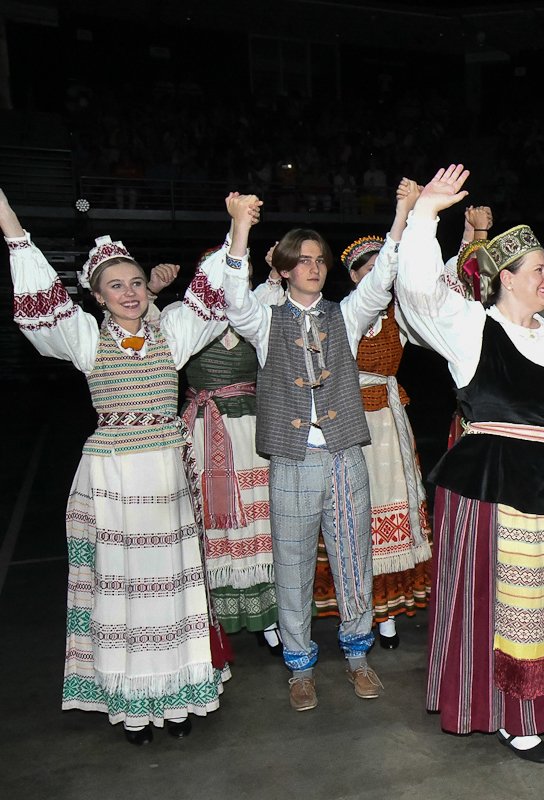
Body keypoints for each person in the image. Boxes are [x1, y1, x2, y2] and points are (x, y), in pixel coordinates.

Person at [395, 165, 544, 764]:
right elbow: (418, 292)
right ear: (506, 279)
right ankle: (511, 714)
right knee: (503, 606)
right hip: (496, 487)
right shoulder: (472, 328)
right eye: (540, 270)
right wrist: (425, 216)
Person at [4, 186, 245, 744]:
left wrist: (237, 229)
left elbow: (215, 296)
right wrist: (13, 227)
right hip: (112, 478)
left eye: (136, 282)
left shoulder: (172, 331)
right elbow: (42, 308)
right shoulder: (86, 340)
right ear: (97, 296)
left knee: (171, 587)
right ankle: (133, 707)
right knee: (124, 591)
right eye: (117, 286)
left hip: (165, 475)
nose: (131, 292)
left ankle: (179, 698)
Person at [223, 187, 406, 711]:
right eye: (302, 261)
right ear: (282, 270)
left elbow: (378, 283)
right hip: (292, 458)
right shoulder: (264, 321)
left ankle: (357, 657)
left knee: (354, 560)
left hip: (345, 454)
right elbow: (234, 298)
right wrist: (240, 227)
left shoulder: (345, 317)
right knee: (293, 562)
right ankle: (299, 666)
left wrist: (399, 217)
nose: (314, 267)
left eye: (320, 260)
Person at [309, 180, 434, 648]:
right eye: (366, 269)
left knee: (395, 503)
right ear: (356, 276)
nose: (376, 274)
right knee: (355, 508)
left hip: (390, 421)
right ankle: (363, 607)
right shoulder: (344, 312)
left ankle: (388, 615)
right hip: (351, 420)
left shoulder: (401, 315)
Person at [181, 243, 281, 646]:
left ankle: (270, 617)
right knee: (212, 523)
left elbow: (276, 300)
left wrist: (276, 274)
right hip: (204, 433)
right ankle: (213, 619)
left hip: (251, 430)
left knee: (260, 520)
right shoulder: (183, 319)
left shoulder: (255, 313)